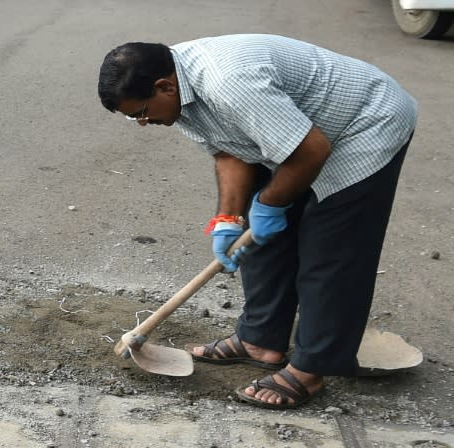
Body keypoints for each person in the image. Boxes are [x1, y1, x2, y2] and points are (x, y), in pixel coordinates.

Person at [97, 34, 417, 410]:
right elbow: (229, 152)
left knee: (330, 249)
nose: (142, 122)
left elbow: (311, 150)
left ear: (163, 86)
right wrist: (229, 219)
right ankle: (260, 340)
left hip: (364, 122)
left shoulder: (229, 84)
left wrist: (271, 204)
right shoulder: (175, 93)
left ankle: (311, 369)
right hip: (300, 132)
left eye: (141, 113)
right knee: (259, 237)